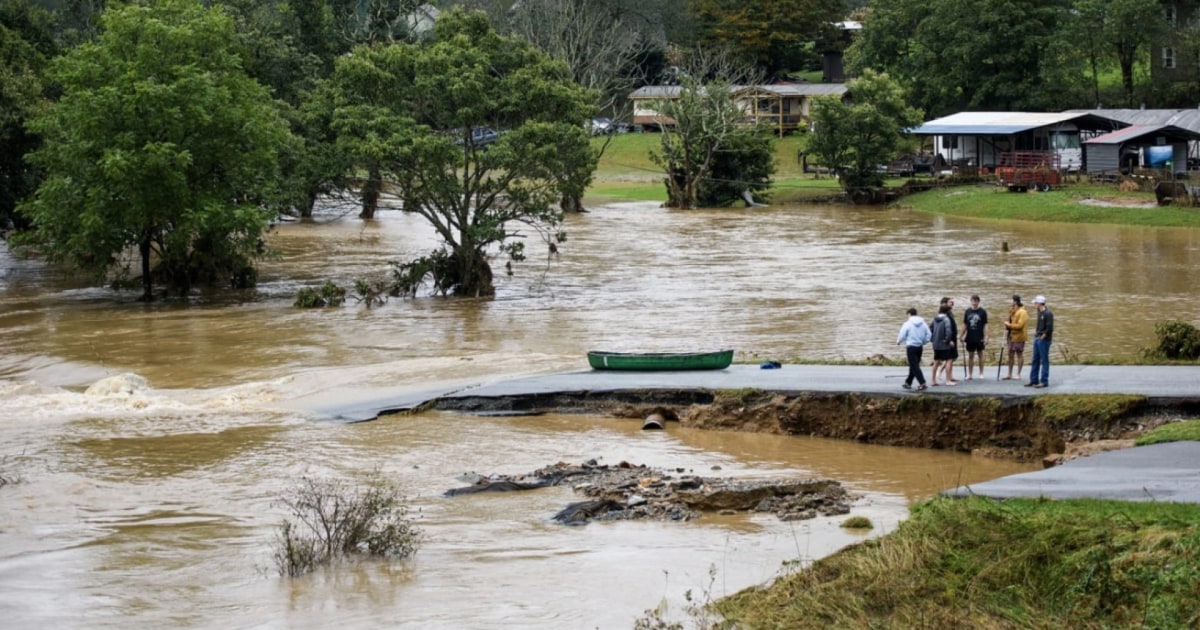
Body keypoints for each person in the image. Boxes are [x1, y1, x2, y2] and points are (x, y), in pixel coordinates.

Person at [896, 307, 931, 390]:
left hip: (911, 347)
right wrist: (924, 342)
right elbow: (929, 334)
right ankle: (908, 382)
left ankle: (922, 383)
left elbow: (902, 334)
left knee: (914, 366)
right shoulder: (923, 323)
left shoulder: (907, 323)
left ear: (909, 314)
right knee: (914, 365)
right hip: (919, 347)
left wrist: (898, 341)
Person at [1026, 295, 1054, 388]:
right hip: (1037, 337)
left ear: (1040, 303)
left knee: (1044, 359)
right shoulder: (1039, 312)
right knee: (1035, 359)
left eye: (1035, 303)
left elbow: (1050, 327)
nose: (1034, 304)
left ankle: (1044, 381)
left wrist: (1044, 335)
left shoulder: (1048, 313)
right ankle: (1034, 379)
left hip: (1044, 339)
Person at [961, 295, 989, 379]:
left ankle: (981, 373)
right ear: (971, 301)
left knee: (980, 354)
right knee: (970, 355)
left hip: (979, 336)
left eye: (976, 301)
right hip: (970, 336)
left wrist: (986, 336)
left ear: (978, 302)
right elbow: (965, 324)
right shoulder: (967, 311)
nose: (974, 303)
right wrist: (961, 335)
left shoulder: (982, 312)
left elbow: (986, 325)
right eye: (973, 301)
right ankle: (970, 374)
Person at [1003, 294, 1028, 380]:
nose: (1010, 302)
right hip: (1011, 336)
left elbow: (1020, 325)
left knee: (1019, 354)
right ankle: (1009, 373)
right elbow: (1010, 322)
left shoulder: (1022, 312)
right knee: (1010, 354)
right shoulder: (1013, 311)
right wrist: (1007, 326)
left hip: (1019, 337)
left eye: (1011, 300)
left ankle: (1018, 374)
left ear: (1015, 302)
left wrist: (1009, 325)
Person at [930, 304, 955, 386]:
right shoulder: (946, 319)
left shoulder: (934, 319)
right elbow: (948, 332)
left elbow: (930, 329)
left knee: (936, 361)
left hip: (936, 344)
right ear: (947, 312)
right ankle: (948, 380)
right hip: (944, 344)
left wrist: (932, 340)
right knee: (949, 360)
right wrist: (948, 341)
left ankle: (933, 380)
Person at [940, 297, 959, 384]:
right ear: (945, 303)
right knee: (949, 358)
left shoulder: (950, 312)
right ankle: (942, 374)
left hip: (953, 337)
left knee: (953, 357)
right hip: (949, 339)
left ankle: (950, 376)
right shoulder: (944, 314)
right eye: (950, 302)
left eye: (952, 302)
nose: (952, 303)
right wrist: (949, 340)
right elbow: (945, 329)